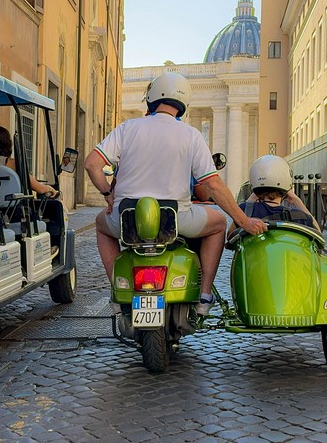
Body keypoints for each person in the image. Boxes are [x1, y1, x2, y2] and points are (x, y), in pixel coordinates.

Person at [84, 72, 267, 315]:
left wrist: (108, 194)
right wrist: (243, 221)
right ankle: (204, 295)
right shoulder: (190, 135)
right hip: (176, 220)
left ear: (152, 98)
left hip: (127, 219)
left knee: (100, 225)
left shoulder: (128, 128)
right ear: (183, 103)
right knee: (219, 223)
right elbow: (212, 185)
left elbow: (91, 164)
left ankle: (117, 293)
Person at [232, 155, 319, 232]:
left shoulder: (245, 211)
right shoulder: (298, 216)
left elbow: (230, 235)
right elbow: (318, 233)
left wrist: (250, 202)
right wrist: (296, 200)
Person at [0, 126, 58, 198]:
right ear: (7, 144)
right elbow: (39, 189)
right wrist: (50, 188)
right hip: (12, 206)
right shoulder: (12, 164)